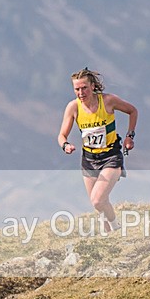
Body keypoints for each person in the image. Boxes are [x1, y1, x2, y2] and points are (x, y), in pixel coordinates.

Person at [57, 68, 138, 232]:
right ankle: (110, 240)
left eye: (84, 88)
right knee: (100, 206)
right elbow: (61, 135)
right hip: (89, 160)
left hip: (111, 156)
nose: (81, 92)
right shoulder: (73, 107)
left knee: (97, 200)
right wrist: (65, 145)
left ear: (93, 86)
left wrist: (130, 136)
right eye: (77, 89)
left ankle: (117, 229)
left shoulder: (108, 101)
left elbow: (132, 111)